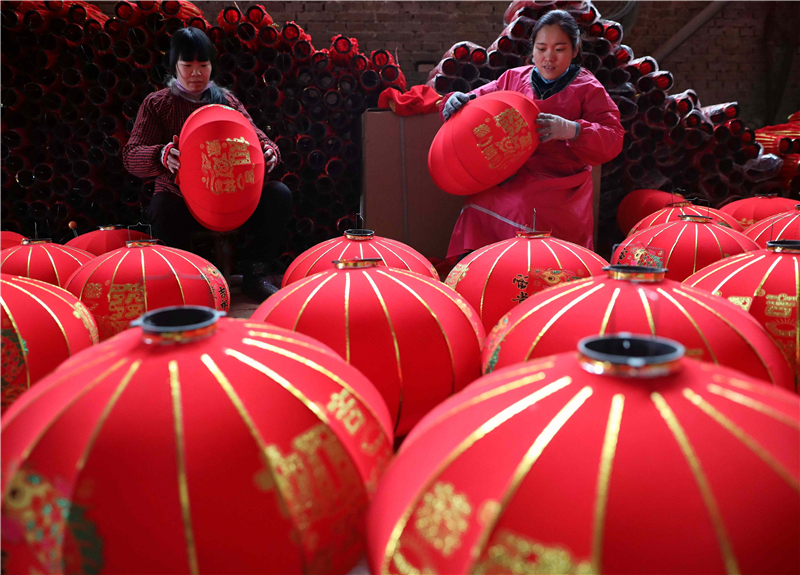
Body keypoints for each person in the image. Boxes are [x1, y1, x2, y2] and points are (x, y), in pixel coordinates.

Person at [123, 27, 292, 300]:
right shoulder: (158, 104)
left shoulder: (227, 101)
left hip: (234, 194)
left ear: (212, 67)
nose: (196, 73)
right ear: (174, 67)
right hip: (182, 198)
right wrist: (161, 155)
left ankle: (255, 274)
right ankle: (186, 280)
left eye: (203, 65)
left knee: (278, 195)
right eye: (187, 65)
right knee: (161, 207)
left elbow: (257, 137)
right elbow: (131, 155)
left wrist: (270, 151)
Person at [440, 9, 624, 258]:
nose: (549, 57)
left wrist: (573, 130)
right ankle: (481, 270)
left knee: (525, 207)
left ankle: (529, 274)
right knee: (477, 203)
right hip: (513, 171)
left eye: (560, 49)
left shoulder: (588, 88)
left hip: (560, 180)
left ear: (575, 50)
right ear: (532, 49)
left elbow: (613, 135)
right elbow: (479, 100)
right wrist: (456, 100)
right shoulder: (514, 78)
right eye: (541, 48)